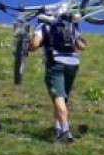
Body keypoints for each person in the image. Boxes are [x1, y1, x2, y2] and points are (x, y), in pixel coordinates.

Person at [28, 14, 86, 142]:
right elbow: (82, 46)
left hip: (55, 63)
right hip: (73, 63)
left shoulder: (43, 25)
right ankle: (58, 128)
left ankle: (65, 130)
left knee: (58, 97)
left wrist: (28, 47)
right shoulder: (69, 25)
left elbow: (35, 43)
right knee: (62, 97)